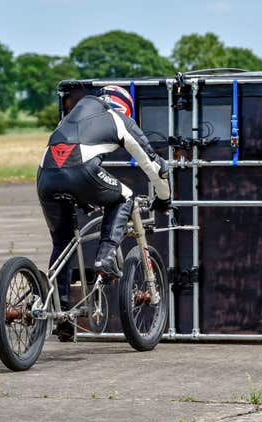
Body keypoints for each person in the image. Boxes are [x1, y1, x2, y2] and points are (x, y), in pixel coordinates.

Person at [36, 85, 171, 341]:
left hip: (45, 176)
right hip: (82, 170)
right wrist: (165, 198)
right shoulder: (119, 118)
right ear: (126, 106)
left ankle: (62, 312)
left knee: (62, 242)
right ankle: (106, 255)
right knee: (126, 196)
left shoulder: (72, 115)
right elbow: (154, 165)